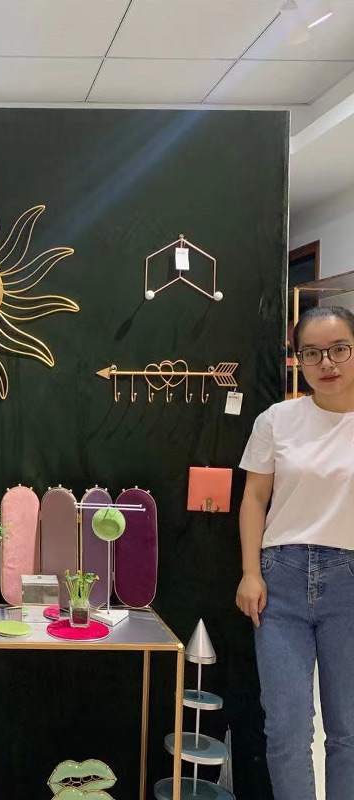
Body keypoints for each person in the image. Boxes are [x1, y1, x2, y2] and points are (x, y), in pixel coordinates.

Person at [237, 305, 354, 800]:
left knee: (348, 731)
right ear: (297, 360)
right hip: (279, 581)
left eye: (339, 349)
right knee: (285, 730)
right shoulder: (277, 420)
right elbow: (254, 499)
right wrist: (250, 573)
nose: (326, 363)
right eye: (312, 353)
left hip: (349, 583)